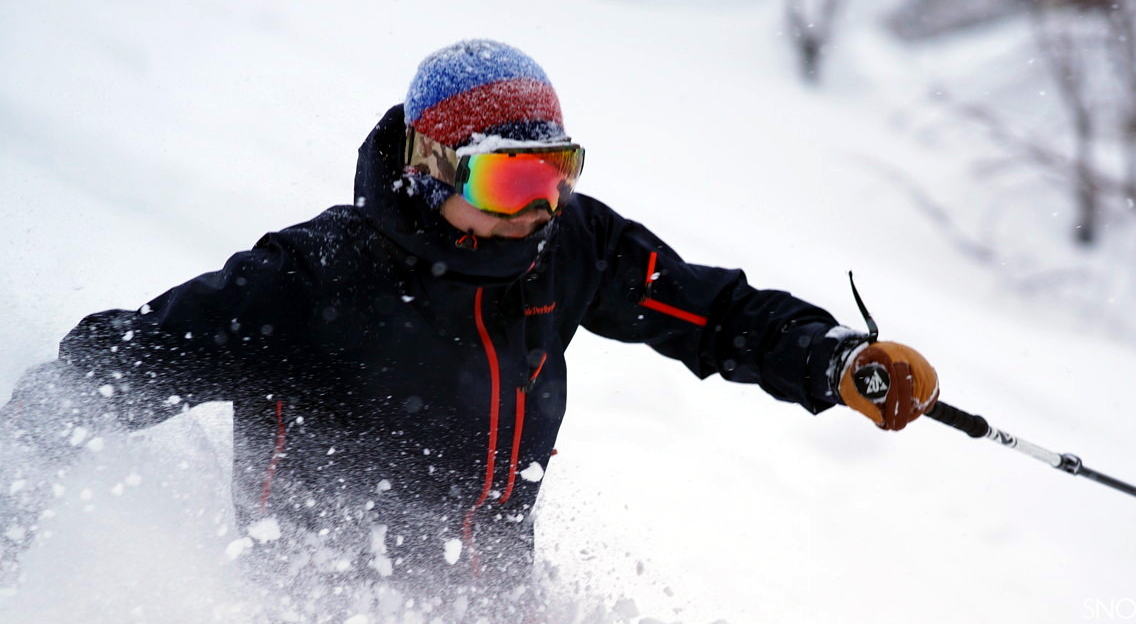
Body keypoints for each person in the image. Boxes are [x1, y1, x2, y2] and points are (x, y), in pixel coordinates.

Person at [0, 39, 938, 588]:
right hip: (317, 617)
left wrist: (829, 360)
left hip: (489, 595)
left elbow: (712, 313)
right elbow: (112, 368)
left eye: (561, 169)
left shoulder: (566, 245)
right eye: (514, 174)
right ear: (434, 168)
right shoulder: (309, 278)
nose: (545, 200)